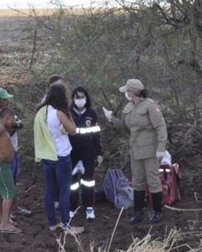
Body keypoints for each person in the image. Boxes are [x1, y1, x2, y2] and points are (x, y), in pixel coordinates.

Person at [104, 79, 168, 224]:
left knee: (153, 181)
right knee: (137, 181)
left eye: (127, 91)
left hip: (150, 150)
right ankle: (138, 212)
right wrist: (111, 118)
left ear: (132, 92)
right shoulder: (128, 107)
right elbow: (126, 127)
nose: (126, 93)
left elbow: (160, 127)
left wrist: (161, 148)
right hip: (135, 150)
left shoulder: (150, 106)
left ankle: (158, 212)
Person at [34, 83, 84, 235]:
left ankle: (53, 223)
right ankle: (67, 225)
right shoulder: (60, 113)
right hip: (61, 155)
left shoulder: (42, 111)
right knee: (64, 192)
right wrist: (68, 114)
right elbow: (73, 130)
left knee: (50, 189)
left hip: (47, 155)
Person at [0, 87, 31, 218]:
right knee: (6, 185)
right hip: (4, 153)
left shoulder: (5, 111)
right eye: (5, 99)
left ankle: (13, 209)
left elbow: (16, 123)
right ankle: (6, 214)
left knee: (12, 181)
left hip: (13, 150)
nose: (8, 101)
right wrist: (16, 126)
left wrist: (16, 125)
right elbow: (1, 133)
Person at [69, 86, 103, 221]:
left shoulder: (92, 114)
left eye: (82, 97)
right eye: (77, 97)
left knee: (88, 182)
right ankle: (72, 208)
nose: (80, 100)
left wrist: (99, 152)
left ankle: (89, 208)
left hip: (88, 153)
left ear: (86, 98)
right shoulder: (67, 113)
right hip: (71, 153)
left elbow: (96, 134)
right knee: (72, 184)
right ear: (73, 99)